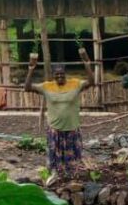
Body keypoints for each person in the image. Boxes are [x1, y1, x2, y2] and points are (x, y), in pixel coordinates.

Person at [24, 48, 94, 179]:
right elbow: (27, 88)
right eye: (57, 74)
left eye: (61, 74)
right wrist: (31, 69)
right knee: (55, 160)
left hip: (72, 129)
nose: (59, 76)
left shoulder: (75, 84)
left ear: (65, 74)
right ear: (53, 75)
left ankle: (72, 178)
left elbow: (91, 82)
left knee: (73, 159)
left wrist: (87, 64)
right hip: (55, 130)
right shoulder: (47, 86)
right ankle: (56, 180)